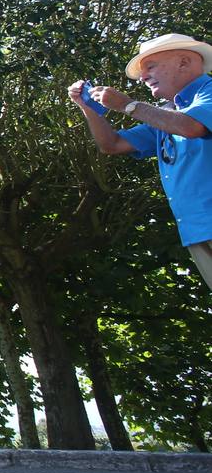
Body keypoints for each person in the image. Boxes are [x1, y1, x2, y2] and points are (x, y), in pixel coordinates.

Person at [68, 33, 212, 286]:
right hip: (198, 231)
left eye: (151, 66)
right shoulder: (167, 115)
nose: (143, 76)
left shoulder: (207, 94)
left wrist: (129, 105)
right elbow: (112, 144)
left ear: (184, 62)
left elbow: (192, 127)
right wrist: (88, 107)